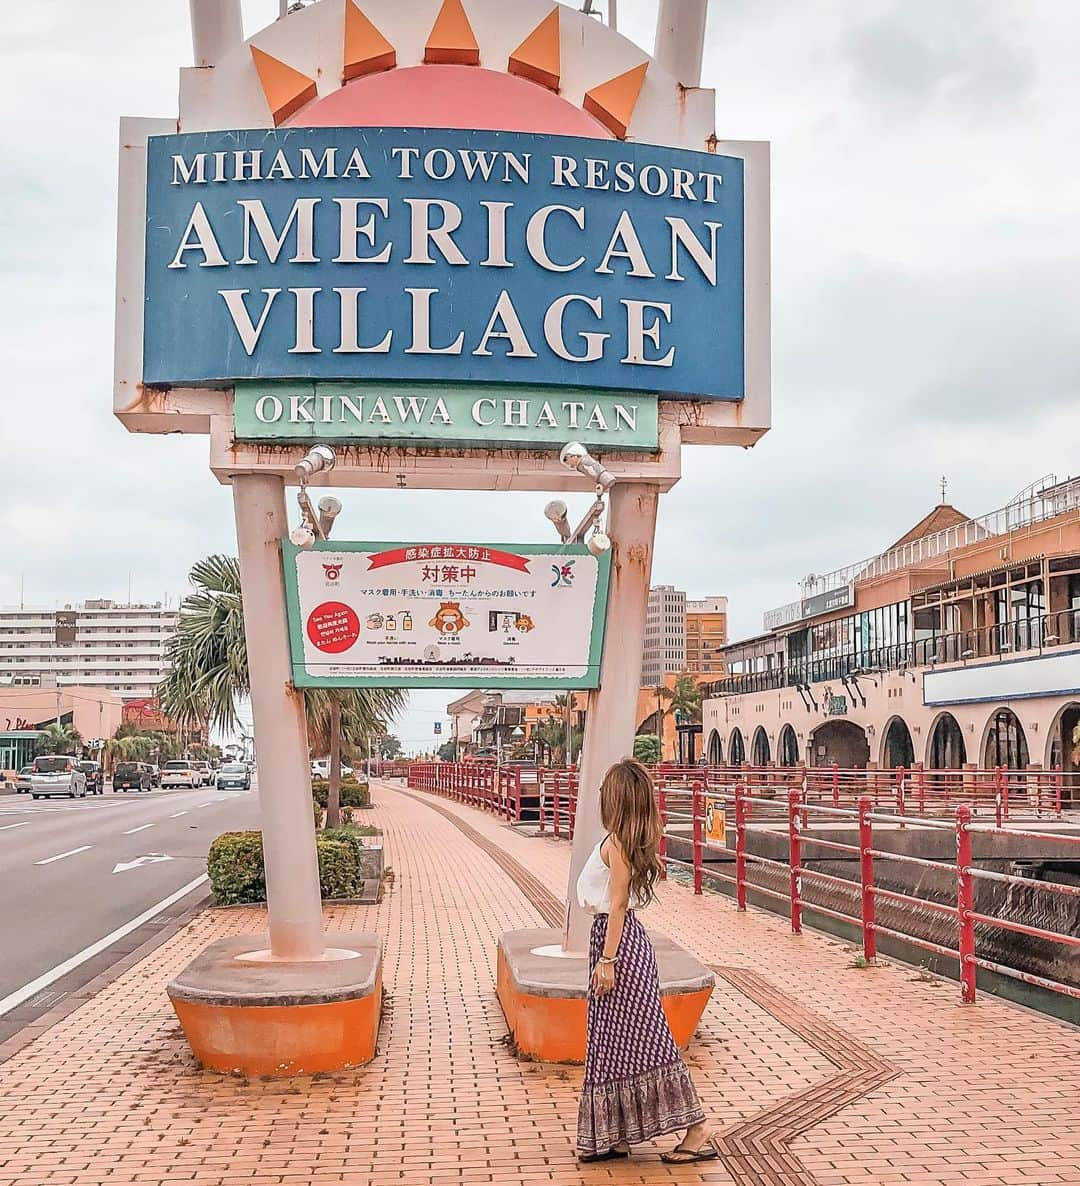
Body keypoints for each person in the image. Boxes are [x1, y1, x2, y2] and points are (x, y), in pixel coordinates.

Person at [576, 758, 719, 1164]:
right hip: (616, 941)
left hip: (615, 944)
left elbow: (617, 905)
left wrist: (607, 960)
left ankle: (695, 1129)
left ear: (616, 799)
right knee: (612, 1041)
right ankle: (616, 1135)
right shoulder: (620, 841)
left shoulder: (617, 845)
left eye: (606, 789)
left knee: (648, 1041)